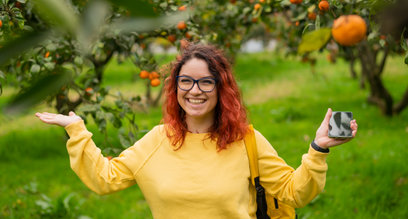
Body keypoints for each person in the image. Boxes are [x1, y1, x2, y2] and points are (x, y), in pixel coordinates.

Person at [35, 43, 358, 219]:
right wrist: (77, 131)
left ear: (221, 89)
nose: (195, 91)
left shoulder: (246, 140)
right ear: (175, 87)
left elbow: (293, 193)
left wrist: (318, 149)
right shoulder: (157, 140)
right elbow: (105, 179)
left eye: (206, 81)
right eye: (185, 81)